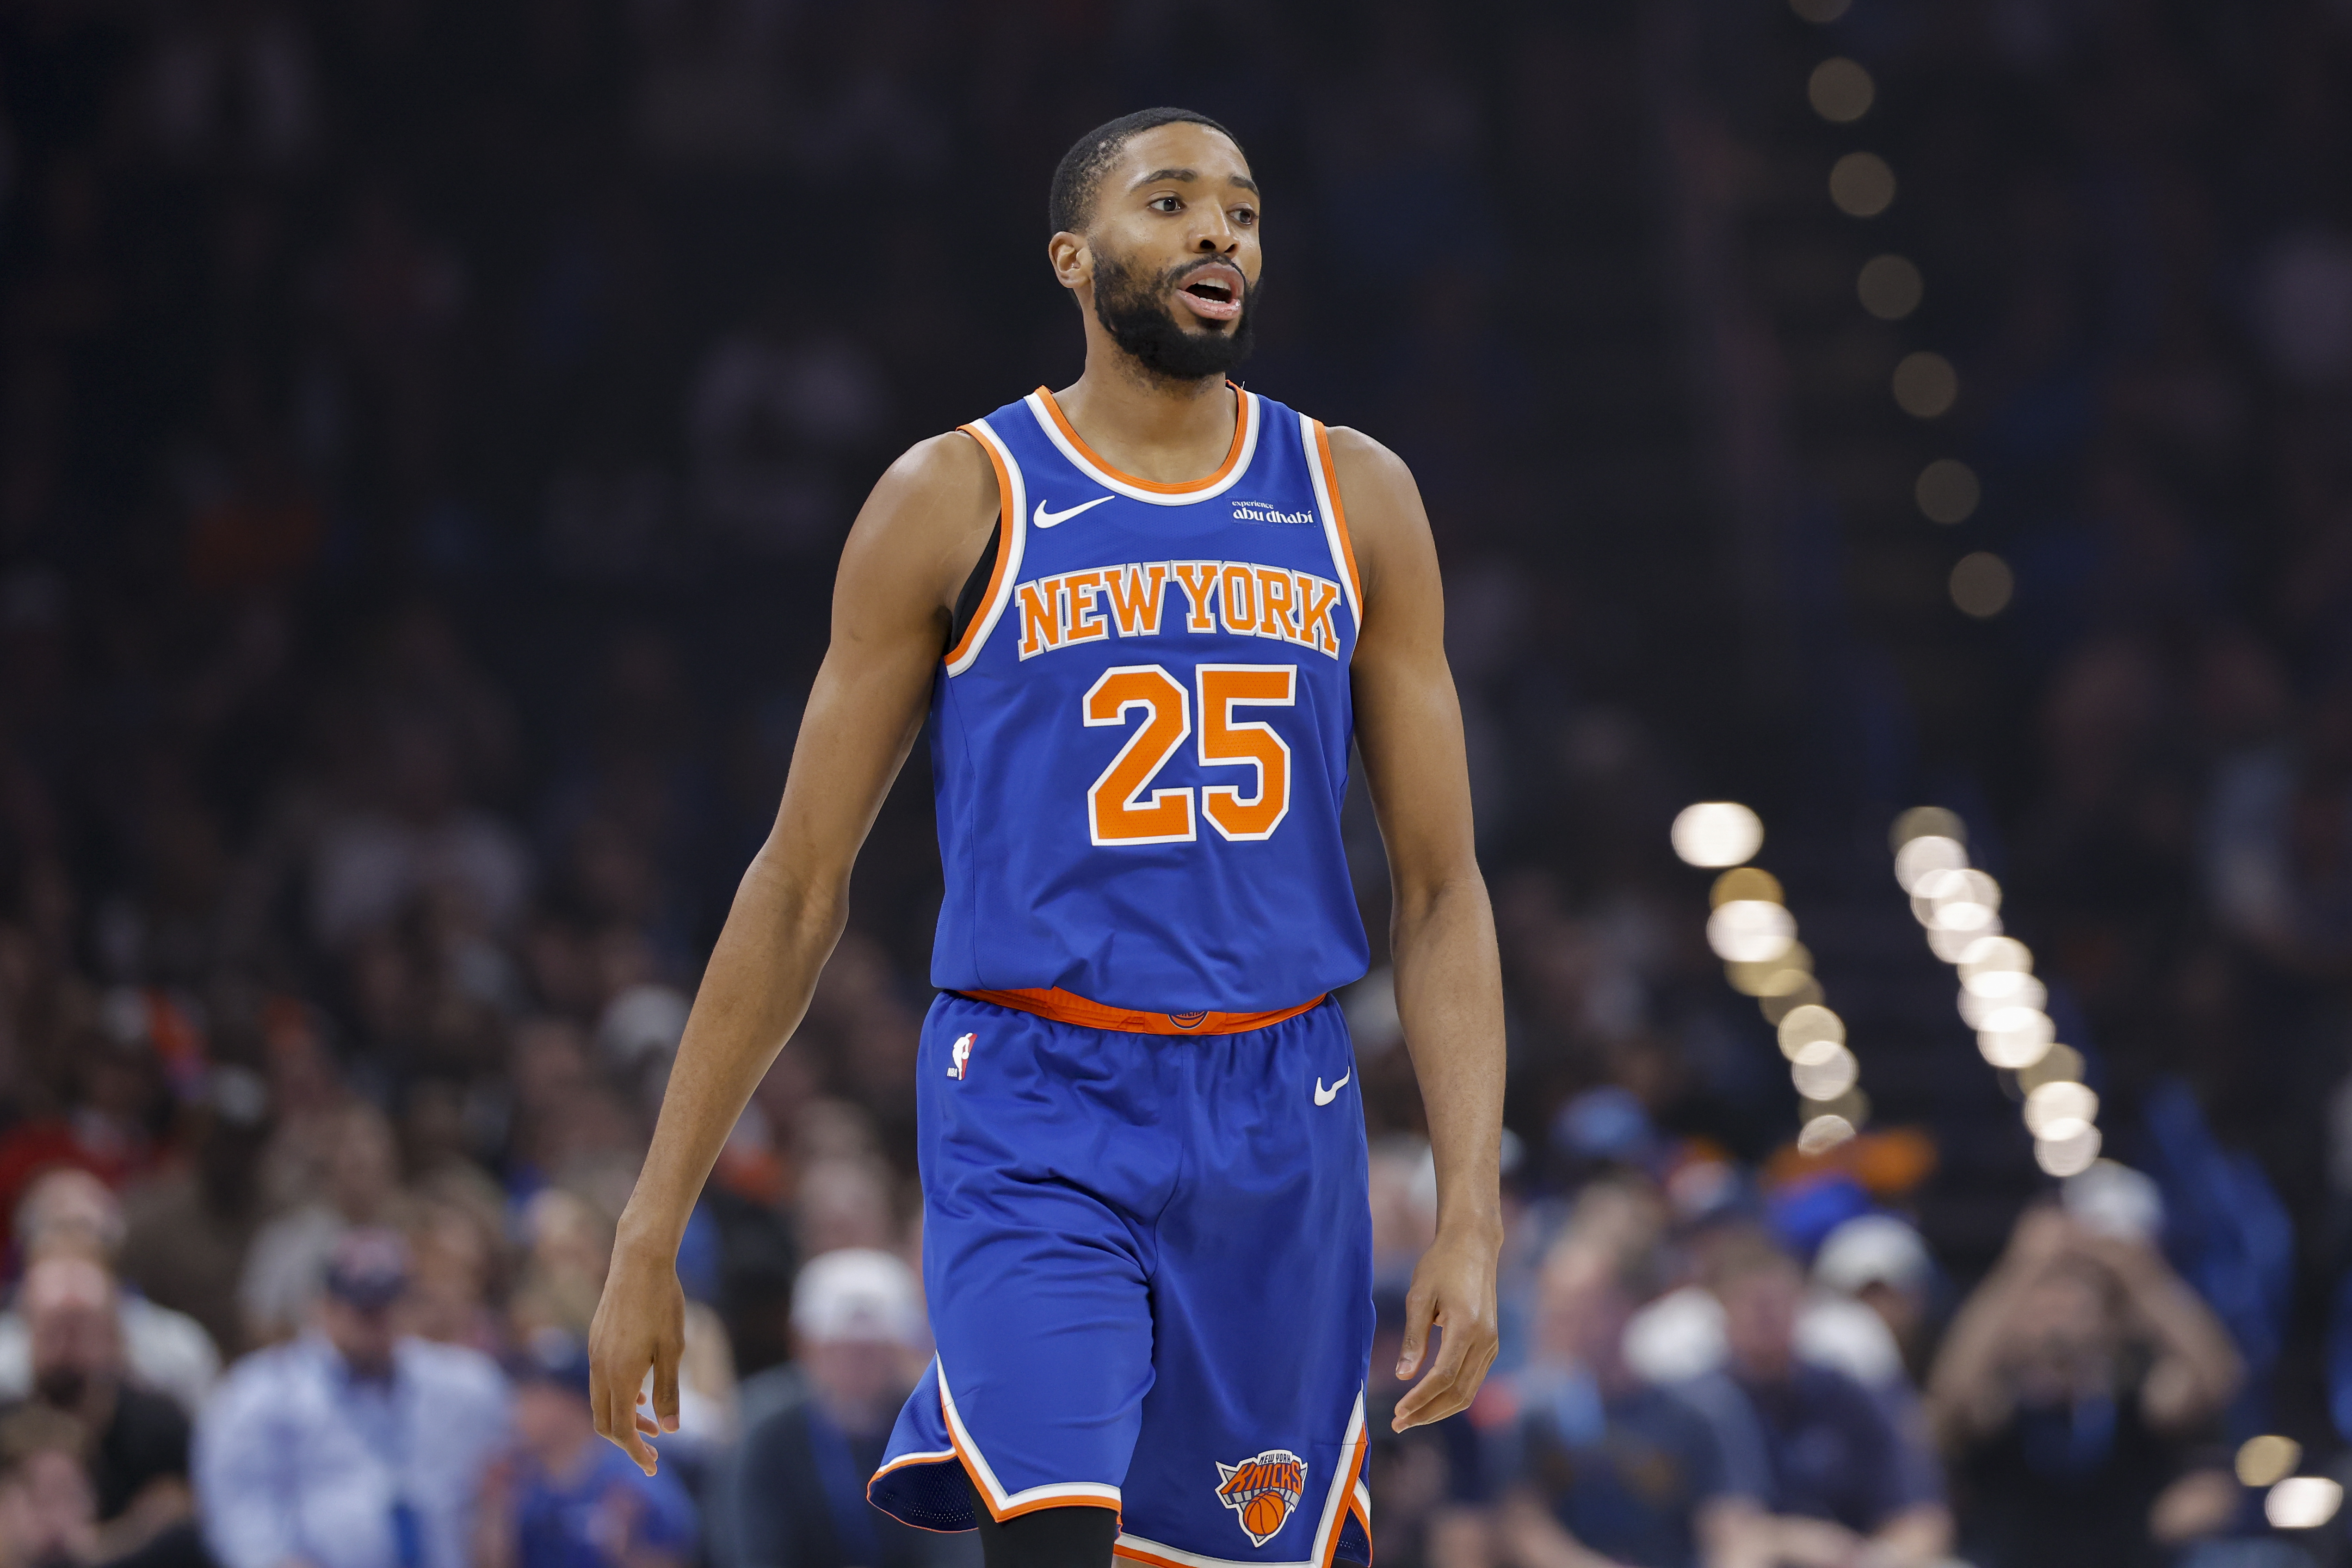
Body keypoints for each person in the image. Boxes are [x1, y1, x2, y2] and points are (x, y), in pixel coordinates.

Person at [590, 105, 1506, 1568]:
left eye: (1242, 209)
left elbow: (1443, 888)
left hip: (1282, 1104)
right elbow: (797, 882)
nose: (1218, 231)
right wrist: (651, 1225)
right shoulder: (955, 494)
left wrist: (1471, 1209)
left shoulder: (1355, 494)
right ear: (1074, 258)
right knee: (1054, 1535)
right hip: (1036, 1095)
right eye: (1172, 201)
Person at [1926, 1204, 2243, 1568]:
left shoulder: (2132, 1398)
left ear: (2106, 1323)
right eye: (2043, 1310)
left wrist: (2140, 1274)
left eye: (2074, 1307)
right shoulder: (2000, 1402)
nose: (2057, 1323)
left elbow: (2216, 1376)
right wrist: (2019, 1269)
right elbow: (1951, 1391)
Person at [195, 1227, 511, 1568]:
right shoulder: (263, 1395)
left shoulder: (467, 1386)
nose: (378, 1321)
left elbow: (501, 1490)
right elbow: (240, 1513)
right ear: (324, 1307)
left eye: (387, 1303)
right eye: (364, 1308)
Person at [1680, 1240, 1951, 1568]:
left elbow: (1921, 1514)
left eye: (1779, 1302)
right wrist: (1796, 1541)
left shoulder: (1850, 1396)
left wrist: (1877, 1559)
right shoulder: (1699, 1406)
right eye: (1753, 1304)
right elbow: (1724, 1525)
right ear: (1722, 1310)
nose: (1768, 1316)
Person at [1493, 1241, 1752, 1568]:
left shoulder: (1699, 1411)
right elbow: (1524, 1528)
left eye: (1578, 1308)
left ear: (1626, 1309)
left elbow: (1732, 1530)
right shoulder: (1531, 1416)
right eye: (1553, 1305)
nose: (1558, 1319)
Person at [713, 1248, 967, 1568]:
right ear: (804, 1347)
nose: (856, 1365)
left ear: (903, 1350)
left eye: (872, 1350)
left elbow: (958, 1549)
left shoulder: (938, 1435)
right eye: (840, 1349)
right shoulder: (767, 1438)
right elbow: (752, 1547)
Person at [0, 1256, 206, 1568]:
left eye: (81, 1330)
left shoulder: (163, 1433)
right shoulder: (6, 1427)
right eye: (53, 1330)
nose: (66, 1350)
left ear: (115, 1338)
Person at [0, 1169, 220, 1415]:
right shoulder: (5, 1359)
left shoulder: (178, 1349)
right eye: (58, 1227)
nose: (74, 1240)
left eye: (88, 1228)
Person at [477, 1330, 698, 1568]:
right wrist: (495, 1511)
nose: (518, 1409)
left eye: (534, 1396)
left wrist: (626, 1552)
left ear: (574, 1404)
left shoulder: (636, 1475)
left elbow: (681, 1558)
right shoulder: (519, 1477)